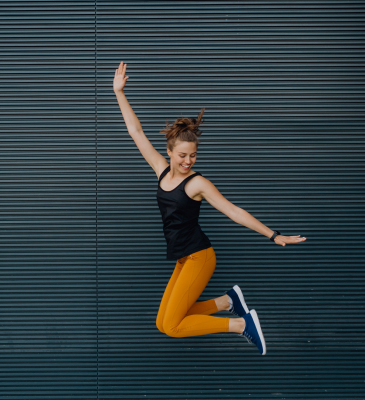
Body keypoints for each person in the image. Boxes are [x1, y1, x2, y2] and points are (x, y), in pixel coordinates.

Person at [113, 61, 306, 355]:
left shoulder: (198, 184)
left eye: (192, 155)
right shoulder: (161, 170)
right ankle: (227, 302)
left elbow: (233, 211)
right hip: (183, 259)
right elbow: (135, 131)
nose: (187, 161)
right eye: (182, 155)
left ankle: (241, 324)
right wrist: (119, 92)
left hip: (200, 257)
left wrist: (273, 234)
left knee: (175, 325)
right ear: (169, 151)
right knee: (163, 324)